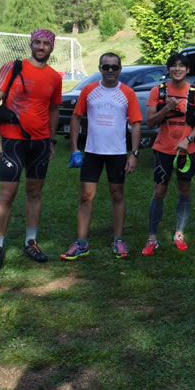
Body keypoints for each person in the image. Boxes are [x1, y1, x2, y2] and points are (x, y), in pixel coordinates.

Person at [0, 29, 62, 271]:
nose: (41, 47)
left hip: (39, 143)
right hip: (12, 140)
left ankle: (31, 242)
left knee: (35, 193)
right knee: (7, 195)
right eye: (37, 42)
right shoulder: (12, 67)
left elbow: (53, 110)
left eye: (46, 44)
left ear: (52, 48)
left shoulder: (55, 77)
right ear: (31, 44)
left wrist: (50, 140)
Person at [61, 53, 142, 261]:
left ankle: (118, 239)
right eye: (106, 67)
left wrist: (134, 153)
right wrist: (74, 149)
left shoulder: (128, 93)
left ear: (120, 70)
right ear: (100, 68)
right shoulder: (89, 90)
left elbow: (136, 125)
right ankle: (81, 242)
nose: (110, 71)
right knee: (86, 196)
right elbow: (76, 118)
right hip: (92, 152)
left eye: (114, 67)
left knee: (117, 194)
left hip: (116, 153)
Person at [142, 52, 195, 255]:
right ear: (169, 69)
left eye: (182, 66)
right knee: (159, 192)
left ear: (188, 70)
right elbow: (150, 122)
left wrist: (188, 140)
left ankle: (179, 233)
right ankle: (152, 238)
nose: (177, 69)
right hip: (163, 149)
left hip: (186, 151)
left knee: (184, 190)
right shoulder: (158, 91)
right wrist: (167, 108)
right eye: (174, 66)